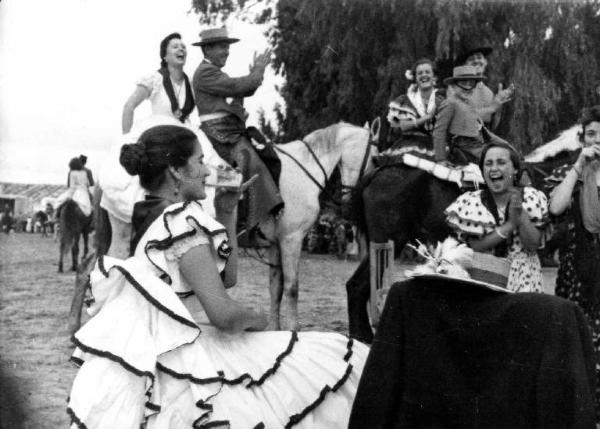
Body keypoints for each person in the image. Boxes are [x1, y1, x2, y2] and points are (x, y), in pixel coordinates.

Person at [67, 125, 368, 428]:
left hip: (164, 352)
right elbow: (224, 315)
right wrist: (260, 320)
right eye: (198, 161)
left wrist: (227, 213)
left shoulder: (151, 215)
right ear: (175, 171)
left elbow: (226, 278)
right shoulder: (181, 222)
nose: (207, 171)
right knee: (333, 361)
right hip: (187, 352)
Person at [101, 32, 231, 258]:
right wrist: (127, 138)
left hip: (183, 134)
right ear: (164, 55)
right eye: (175, 47)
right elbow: (129, 107)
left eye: (183, 47)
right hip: (157, 133)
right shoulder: (155, 78)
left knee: (206, 173)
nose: (181, 50)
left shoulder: (189, 82)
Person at [192, 27, 284, 241]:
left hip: (230, 129)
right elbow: (238, 85)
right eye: (222, 46)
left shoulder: (213, 71)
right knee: (250, 162)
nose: (227, 51)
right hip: (221, 132)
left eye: (227, 47)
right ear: (208, 49)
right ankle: (255, 224)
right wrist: (258, 71)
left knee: (263, 154)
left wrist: (255, 74)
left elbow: (244, 88)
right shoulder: (206, 73)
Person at [548, 105, 600, 419]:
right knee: (577, 342)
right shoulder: (572, 171)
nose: (598, 140)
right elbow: (555, 208)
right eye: (592, 134)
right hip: (577, 272)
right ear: (582, 138)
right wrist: (580, 165)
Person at [444, 141, 548, 292]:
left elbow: (533, 245)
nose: (494, 168)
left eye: (501, 162)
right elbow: (476, 246)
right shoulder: (472, 201)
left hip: (524, 278)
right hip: (486, 277)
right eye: (488, 163)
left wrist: (521, 216)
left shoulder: (530, 197)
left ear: (515, 169)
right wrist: (509, 225)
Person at [433, 65, 506, 165]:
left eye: (471, 83)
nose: (467, 87)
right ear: (454, 86)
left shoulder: (469, 103)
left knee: (505, 152)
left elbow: (476, 118)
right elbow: (439, 131)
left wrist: (494, 107)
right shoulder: (450, 103)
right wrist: (440, 158)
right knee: (497, 159)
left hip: (477, 143)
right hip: (463, 147)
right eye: (463, 83)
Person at [383, 58, 445, 151]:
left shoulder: (443, 96)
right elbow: (403, 127)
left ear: (434, 77)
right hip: (411, 145)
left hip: (439, 145)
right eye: (420, 73)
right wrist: (428, 117)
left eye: (427, 72)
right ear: (415, 78)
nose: (424, 75)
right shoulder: (405, 100)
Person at [456, 44, 514, 130]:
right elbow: (461, 119)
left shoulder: (489, 93)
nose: (476, 61)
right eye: (471, 59)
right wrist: (492, 108)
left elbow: (492, 126)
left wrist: (498, 105)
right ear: (465, 65)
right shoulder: (457, 89)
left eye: (479, 57)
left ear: (485, 62)